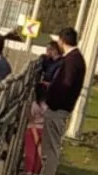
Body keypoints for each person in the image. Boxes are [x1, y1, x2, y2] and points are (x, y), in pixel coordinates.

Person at [42, 27, 87, 175]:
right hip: (60, 108)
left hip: (58, 109)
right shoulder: (75, 58)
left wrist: (52, 100)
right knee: (49, 147)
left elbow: (66, 85)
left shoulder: (72, 60)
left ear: (62, 41)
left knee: (51, 148)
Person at [25, 84, 48, 175]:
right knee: (39, 153)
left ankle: (28, 171)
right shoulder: (48, 107)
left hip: (31, 129)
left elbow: (30, 117)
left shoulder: (33, 104)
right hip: (43, 130)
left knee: (30, 152)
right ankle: (36, 172)